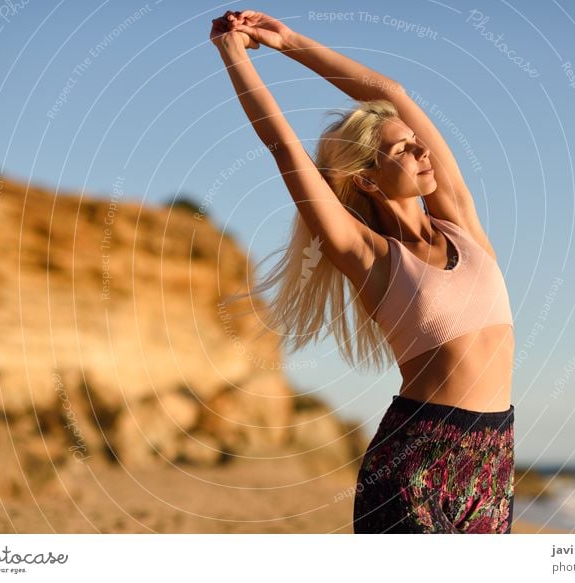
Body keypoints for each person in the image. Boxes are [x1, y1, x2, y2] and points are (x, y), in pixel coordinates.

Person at [211, 9, 515, 534]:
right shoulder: (369, 256)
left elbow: (392, 92)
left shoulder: (462, 222)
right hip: (414, 464)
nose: (422, 148)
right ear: (368, 180)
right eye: (402, 148)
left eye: (416, 142)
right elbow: (285, 148)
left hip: (495, 460)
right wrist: (233, 55)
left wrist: (289, 42)